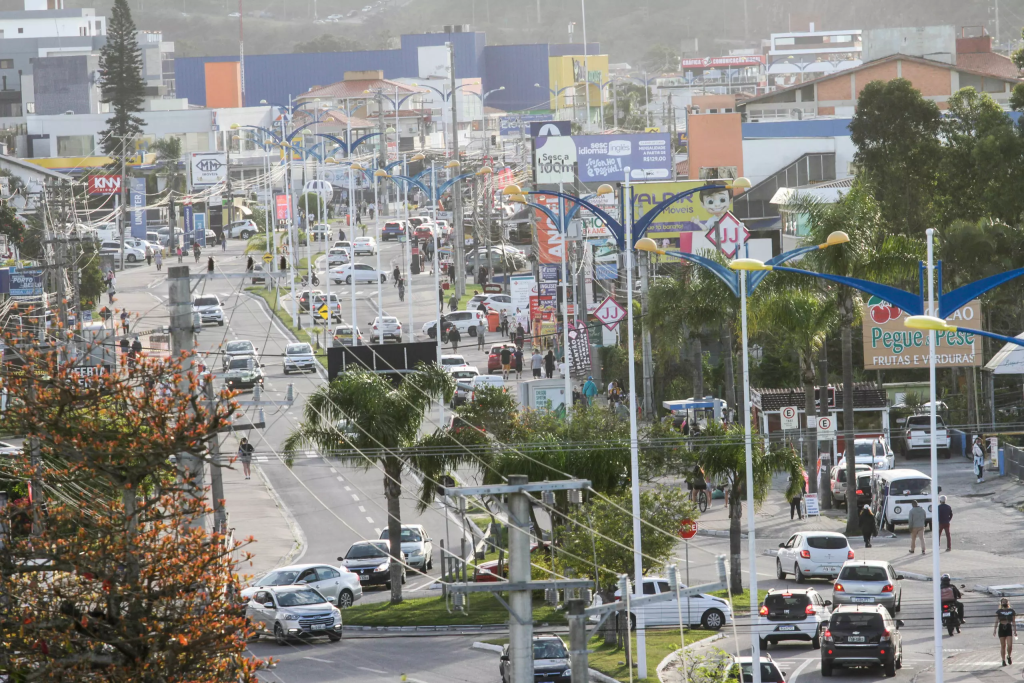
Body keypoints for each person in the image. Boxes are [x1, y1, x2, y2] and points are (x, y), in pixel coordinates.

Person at [994, 597, 1017, 666]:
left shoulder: (1011, 611)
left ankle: (1009, 656)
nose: (1004, 603)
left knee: (1010, 645)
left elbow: (1013, 621)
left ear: (1008, 603)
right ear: (1001, 603)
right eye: (1003, 602)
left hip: (1008, 627)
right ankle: (1003, 660)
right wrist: (994, 630)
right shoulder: (999, 611)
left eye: (1005, 602)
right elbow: (996, 621)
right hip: (1001, 627)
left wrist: (1015, 631)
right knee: (1003, 645)